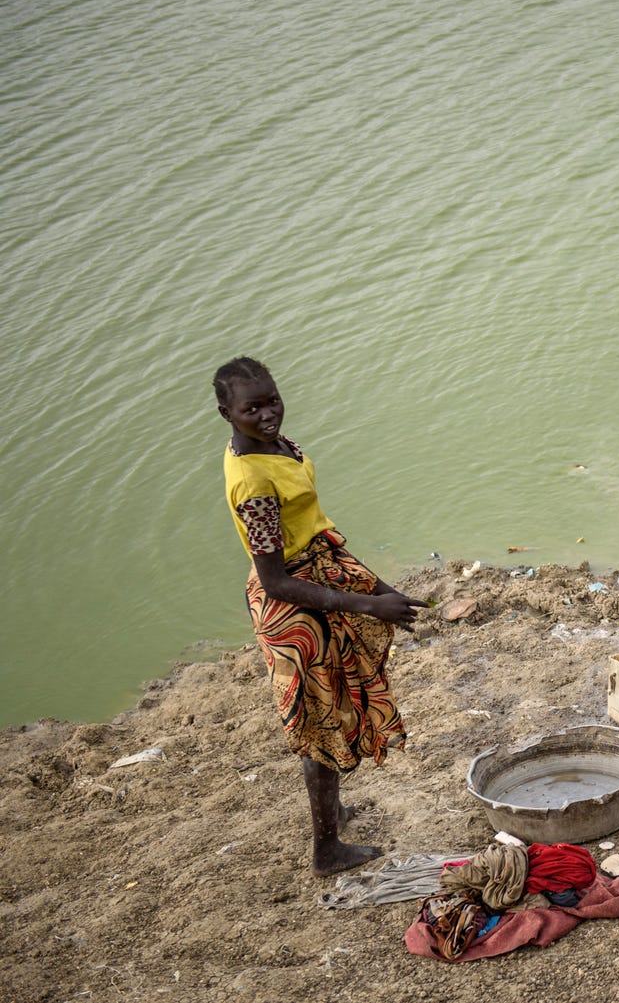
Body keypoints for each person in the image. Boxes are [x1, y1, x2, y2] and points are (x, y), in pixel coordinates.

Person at [214, 357, 426, 875]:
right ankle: (327, 850)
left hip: (320, 577)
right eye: (252, 408)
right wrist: (371, 603)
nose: (268, 414)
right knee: (321, 725)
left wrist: (377, 586)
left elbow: (313, 530)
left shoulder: (273, 446)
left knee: (333, 713)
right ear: (226, 413)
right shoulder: (252, 483)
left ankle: (332, 810)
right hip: (297, 613)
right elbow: (276, 581)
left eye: (272, 400)